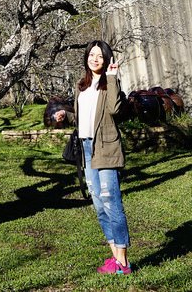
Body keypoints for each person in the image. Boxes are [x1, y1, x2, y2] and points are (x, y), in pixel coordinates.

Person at [56, 40, 132, 275]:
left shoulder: (109, 84)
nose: (95, 59)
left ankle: (123, 262)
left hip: (106, 149)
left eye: (99, 55)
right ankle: (115, 258)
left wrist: (112, 78)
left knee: (112, 203)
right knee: (99, 205)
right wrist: (66, 116)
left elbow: (114, 111)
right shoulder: (82, 86)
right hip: (87, 149)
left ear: (107, 59)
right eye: (91, 55)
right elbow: (84, 118)